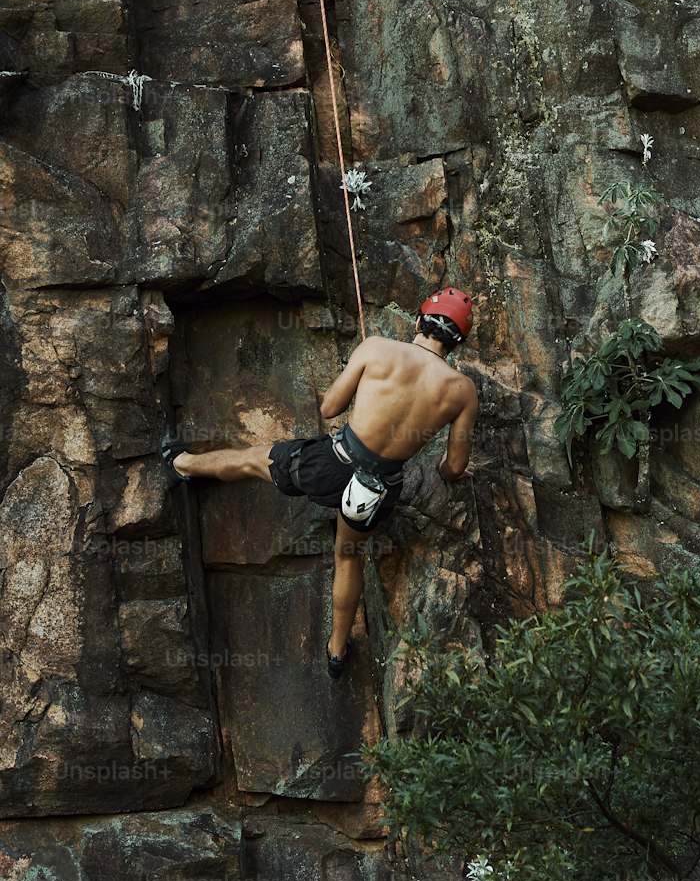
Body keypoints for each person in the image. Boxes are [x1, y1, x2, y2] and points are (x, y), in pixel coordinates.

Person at [162, 288, 477, 682]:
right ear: (457, 342)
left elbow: (329, 407)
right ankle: (336, 651)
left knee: (254, 459)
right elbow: (453, 467)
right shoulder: (463, 390)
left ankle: (182, 463)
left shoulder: (377, 348)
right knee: (347, 556)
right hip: (375, 489)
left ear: (418, 321)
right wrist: (447, 471)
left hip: (332, 463)